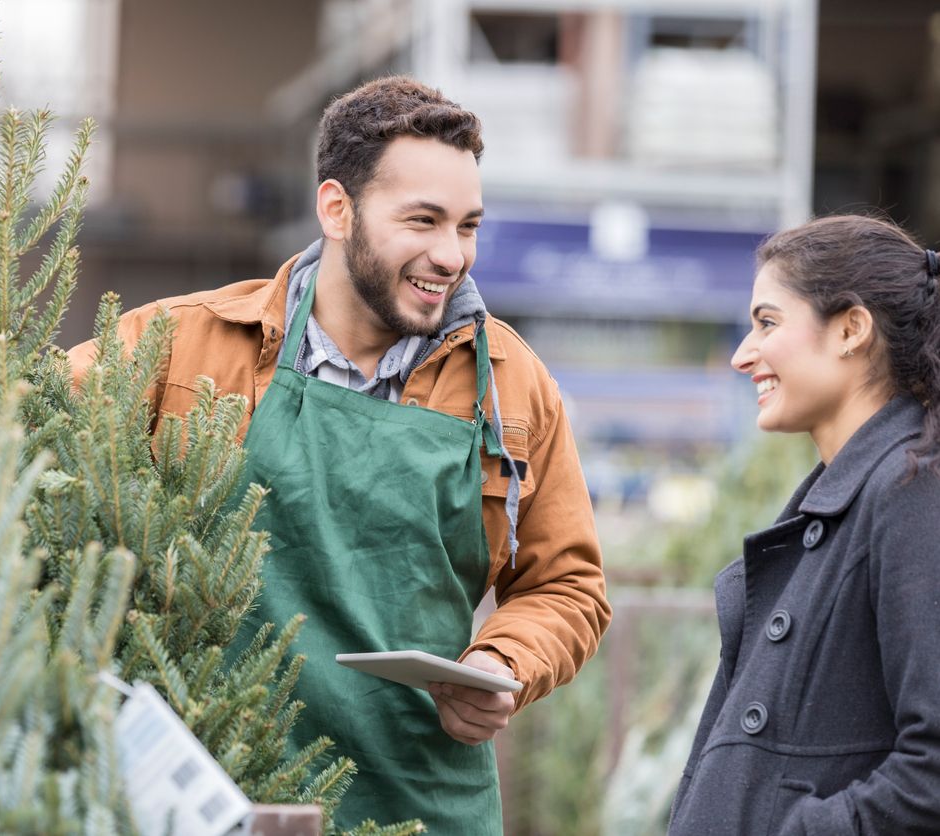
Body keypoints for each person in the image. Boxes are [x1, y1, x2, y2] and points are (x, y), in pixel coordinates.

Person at [70, 76, 610, 832]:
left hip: (418, 801)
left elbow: (568, 585)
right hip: (214, 796)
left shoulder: (513, 387)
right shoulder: (181, 345)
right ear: (336, 209)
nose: (451, 255)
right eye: (422, 220)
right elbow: (13, 429)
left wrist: (502, 663)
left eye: (467, 226)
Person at [669, 215, 940, 835]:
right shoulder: (849, 495)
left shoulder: (912, 486)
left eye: (767, 323)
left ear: (851, 329)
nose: (743, 355)